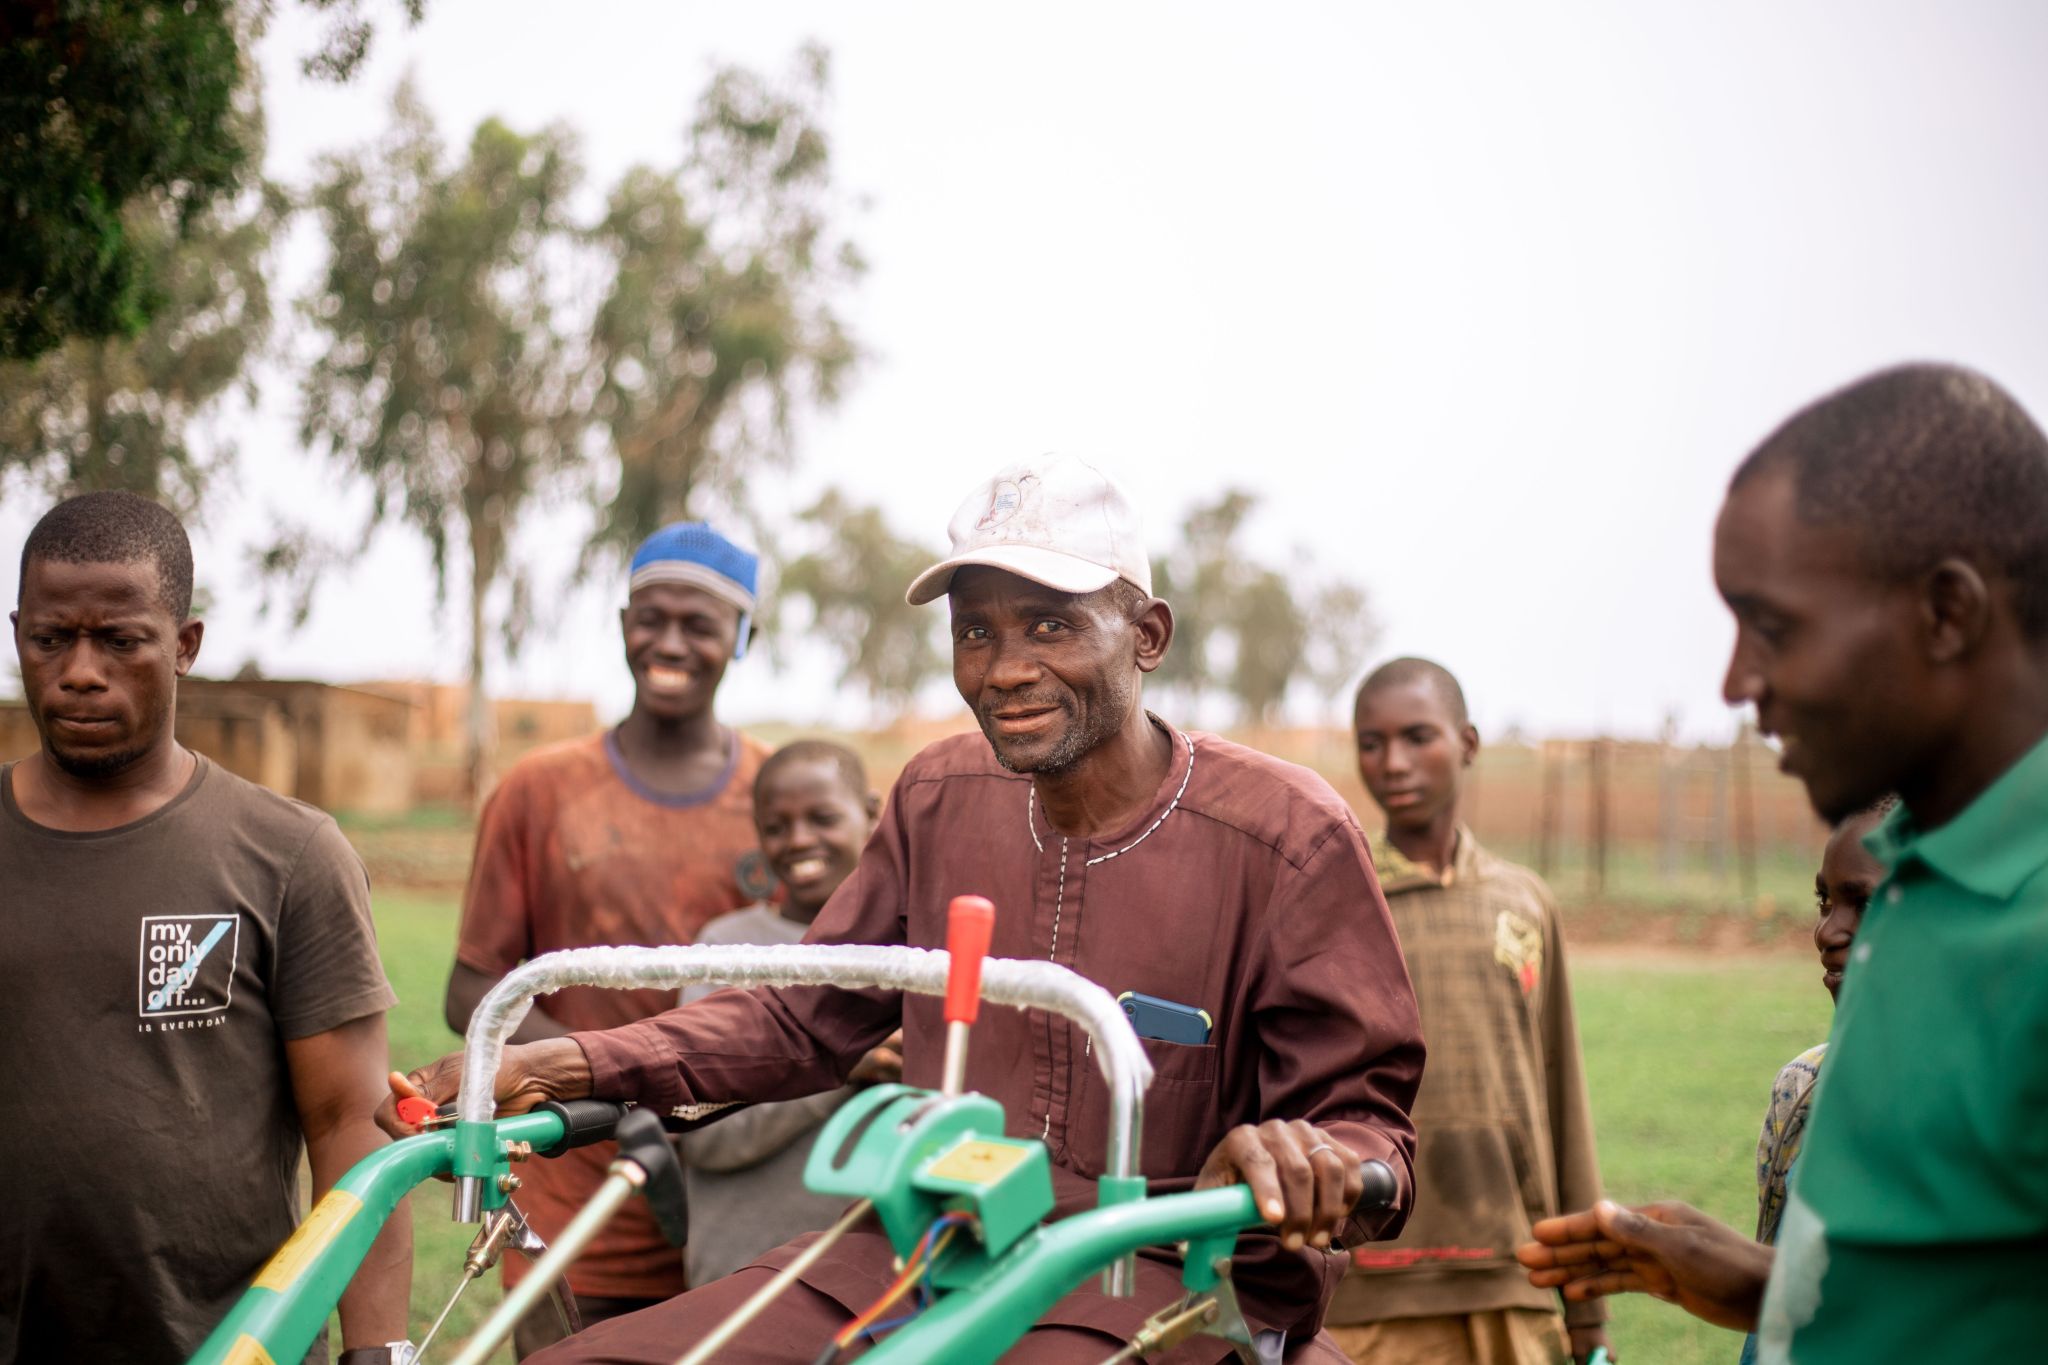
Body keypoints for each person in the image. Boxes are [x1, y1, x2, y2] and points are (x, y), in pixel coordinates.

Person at [387, 454, 1427, 1364]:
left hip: (1156, 1269)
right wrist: (566, 1063)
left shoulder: (1286, 837)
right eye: (976, 631)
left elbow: (1366, 1125)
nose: (1005, 669)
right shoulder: (936, 796)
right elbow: (802, 1016)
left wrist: (1306, 1157)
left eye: (1051, 625)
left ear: (1146, 635)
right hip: (926, 1243)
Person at [1517, 363, 2048, 1361]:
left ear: (1946, 613)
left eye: (1771, 627)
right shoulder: (1916, 892)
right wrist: (1772, 1283)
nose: (1735, 682)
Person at [0, 491, 410, 1365]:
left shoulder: (289, 854)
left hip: (231, 1346)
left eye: (120, 640)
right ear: (17, 635)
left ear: (185, 644)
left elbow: (350, 1120)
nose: (80, 671)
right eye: (50, 638)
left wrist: (376, 1350)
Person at [444, 521, 773, 1355]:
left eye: (699, 624)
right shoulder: (539, 790)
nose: (670, 643)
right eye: (650, 618)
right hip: (573, 1205)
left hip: (734, 1209)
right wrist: (614, 1089)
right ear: (624, 621)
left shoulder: (785, 805)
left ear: (743, 636)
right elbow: (474, 989)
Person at [1327, 658, 1608, 1365]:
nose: (1393, 762)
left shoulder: (1524, 902)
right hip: (1369, 1288)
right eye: (1371, 743)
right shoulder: (1338, 897)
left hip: (1515, 1271)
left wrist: (1587, 1306)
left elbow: (1560, 1096)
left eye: (1418, 737)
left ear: (1468, 743)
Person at [677, 739, 903, 1286]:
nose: (799, 840)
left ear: (872, 813)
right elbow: (704, 1135)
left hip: (882, 1285)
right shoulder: (727, 951)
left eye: (823, 818)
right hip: (740, 1277)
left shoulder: (915, 950)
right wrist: (841, 1066)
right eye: (776, 827)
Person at [1736, 797, 1888, 1365]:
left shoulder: (2013, 1112)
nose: (1827, 931)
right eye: (1825, 901)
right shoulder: (1803, 1090)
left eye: (1864, 903)